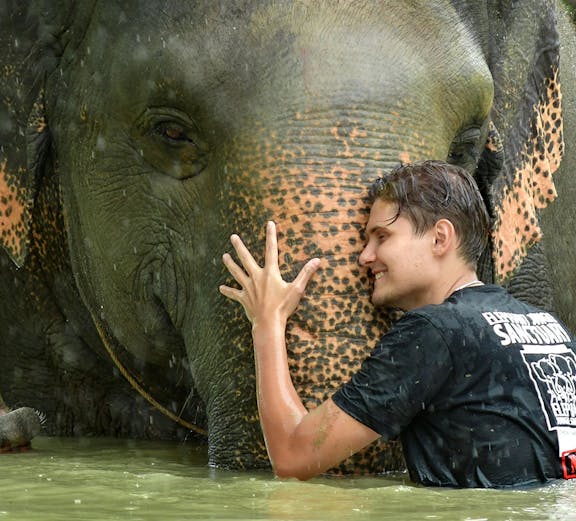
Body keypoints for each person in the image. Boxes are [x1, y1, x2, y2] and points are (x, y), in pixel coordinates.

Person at [219, 160, 576, 488]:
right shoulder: (550, 326)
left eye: (382, 237)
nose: (365, 256)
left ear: (440, 238)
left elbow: (293, 457)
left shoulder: (436, 330)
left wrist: (267, 320)